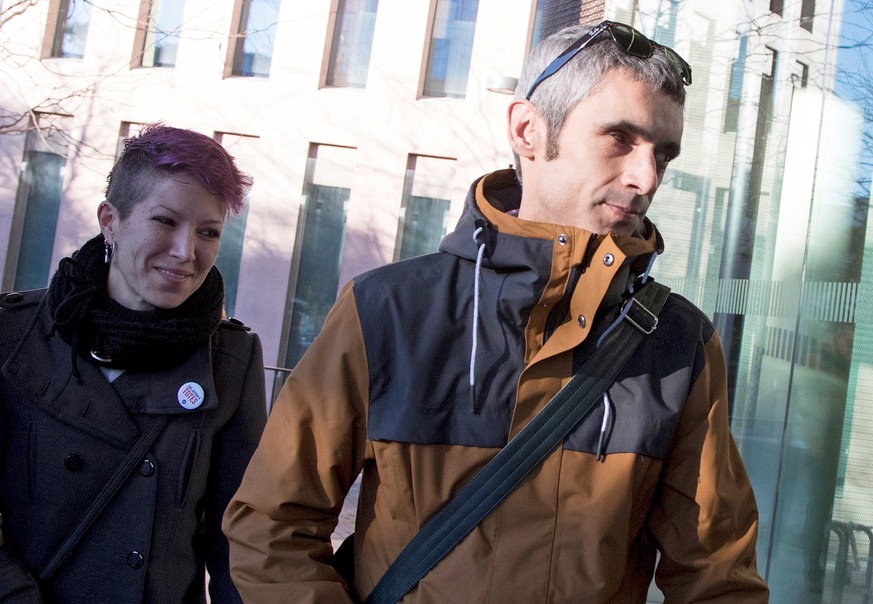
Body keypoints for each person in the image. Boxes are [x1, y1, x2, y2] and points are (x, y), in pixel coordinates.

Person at [223, 21, 770, 602]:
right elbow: (271, 528)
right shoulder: (386, 311)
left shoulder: (678, 344)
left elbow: (717, 578)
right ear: (529, 130)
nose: (646, 177)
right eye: (619, 139)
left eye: (663, 153)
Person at [0, 124, 267, 602]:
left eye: (208, 231)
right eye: (165, 221)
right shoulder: (14, 334)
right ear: (110, 221)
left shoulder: (231, 360)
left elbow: (238, 547)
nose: (186, 252)